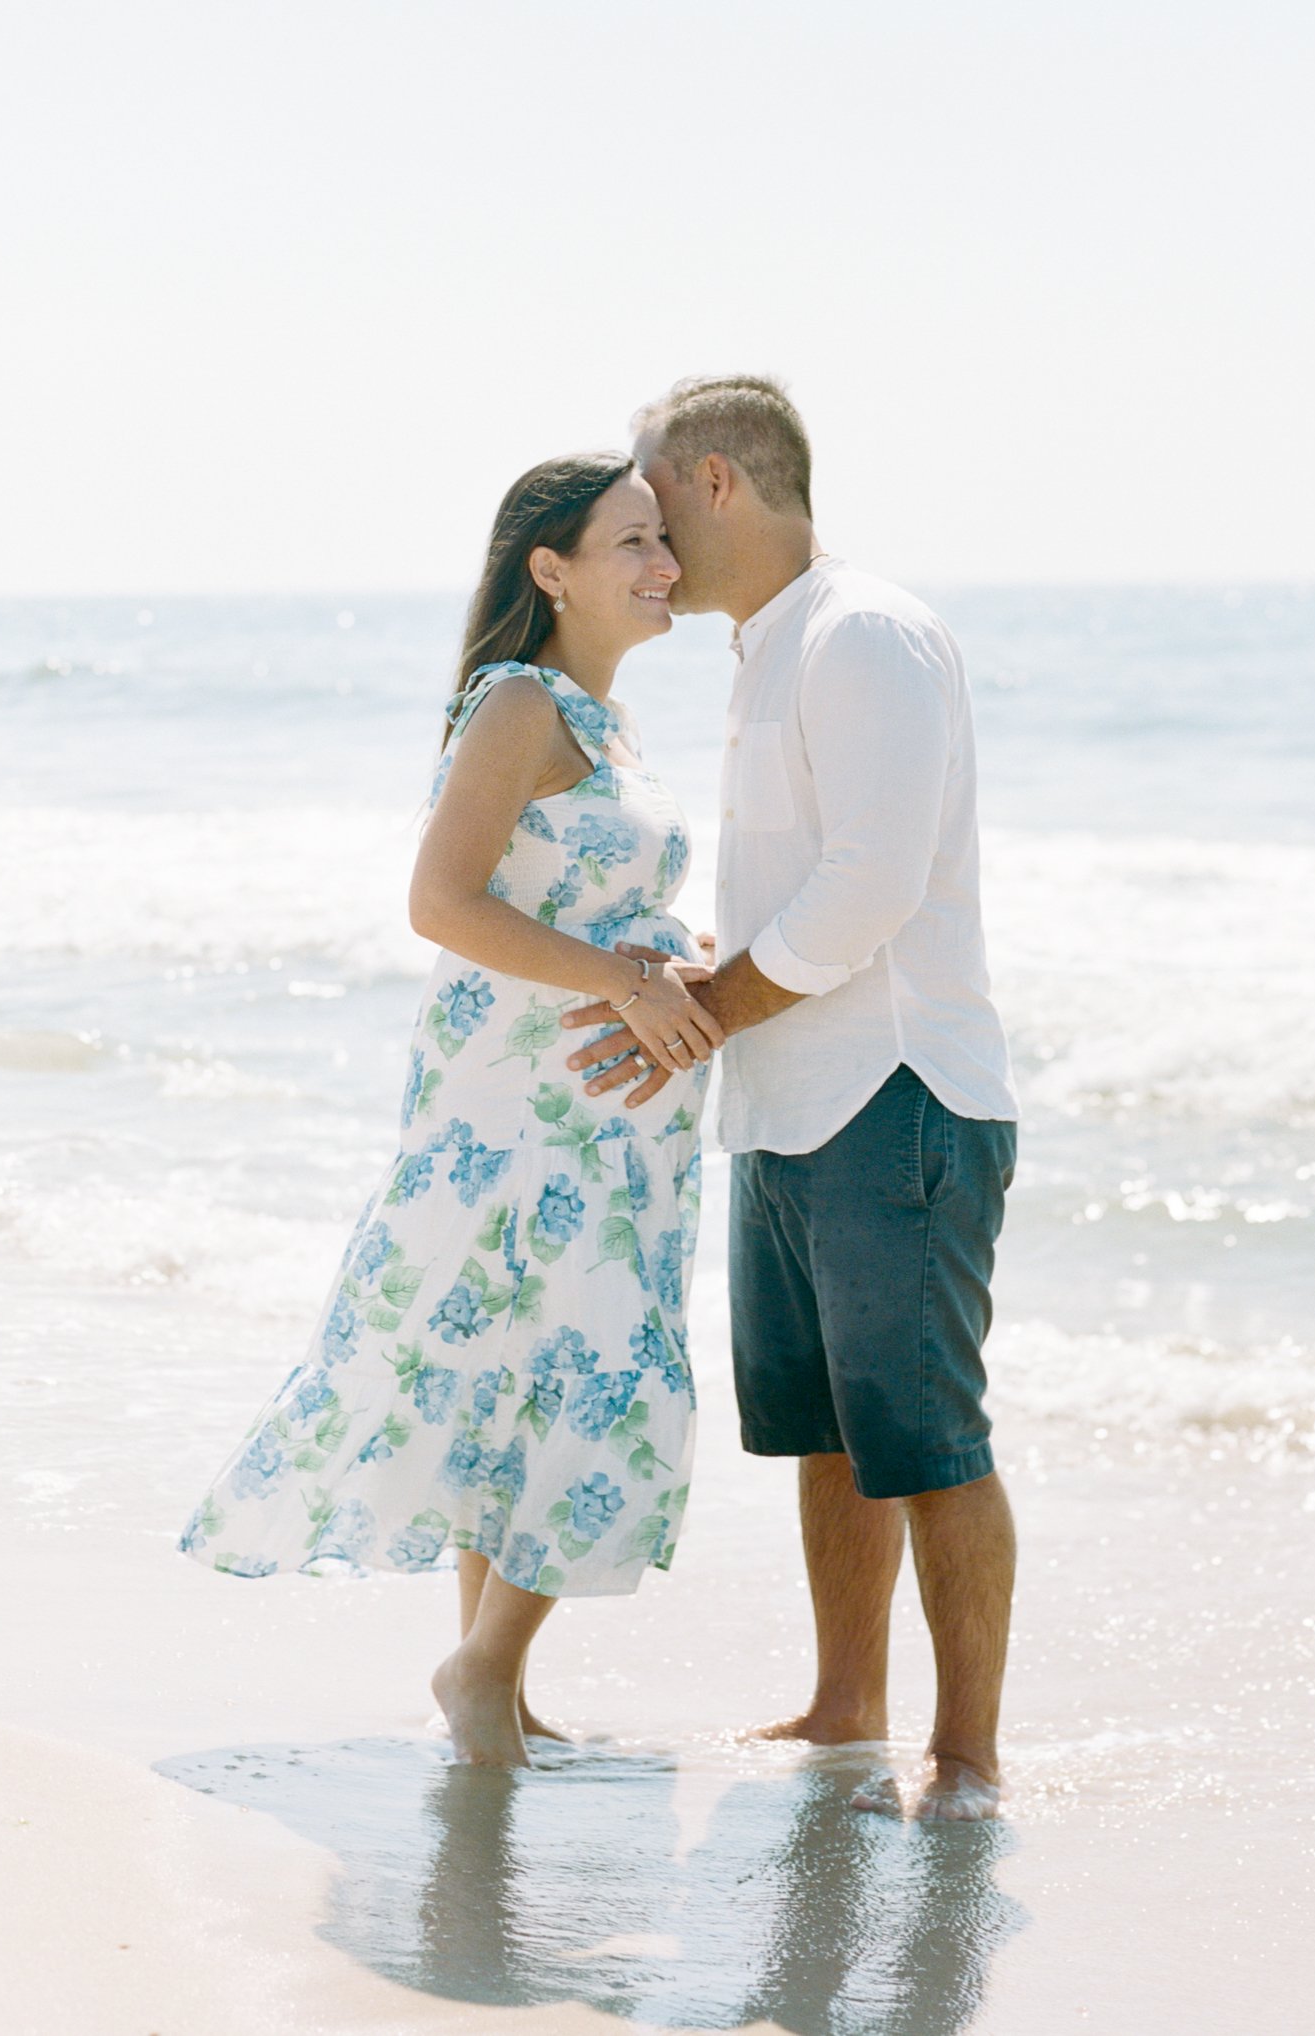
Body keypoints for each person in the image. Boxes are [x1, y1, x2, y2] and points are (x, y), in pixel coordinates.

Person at [180, 453, 723, 1768]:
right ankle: (481, 1667)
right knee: (585, 1370)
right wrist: (623, 980)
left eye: (664, 543)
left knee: (527, 1370)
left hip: (609, 1109)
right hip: (524, 1108)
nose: (666, 568)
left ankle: (497, 1686)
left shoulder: (604, 722)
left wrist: (674, 959)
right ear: (551, 571)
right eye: (634, 545)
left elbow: (568, 895)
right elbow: (442, 903)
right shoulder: (519, 704)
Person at [563, 377, 1019, 1823]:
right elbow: (799, 890)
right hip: (782, 1101)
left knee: (928, 1440)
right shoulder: (769, 652)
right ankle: (846, 1710)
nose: (646, 551)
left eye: (651, 516)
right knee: (828, 1436)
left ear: (713, 484)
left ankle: (964, 1759)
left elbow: (872, 889)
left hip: (897, 1094)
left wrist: (700, 1010)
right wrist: (701, 973)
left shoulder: (861, 631)